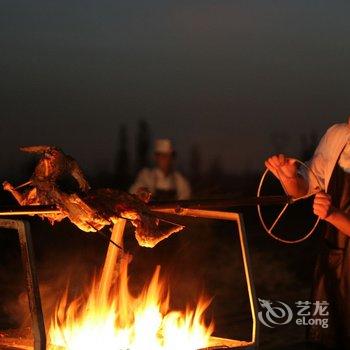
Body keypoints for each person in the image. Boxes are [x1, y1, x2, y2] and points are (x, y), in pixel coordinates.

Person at [265, 118, 350, 349]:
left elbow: (332, 214)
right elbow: (304, 188)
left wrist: (333, 215)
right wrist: (290, 176)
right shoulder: (338, 136)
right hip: (336, 263)